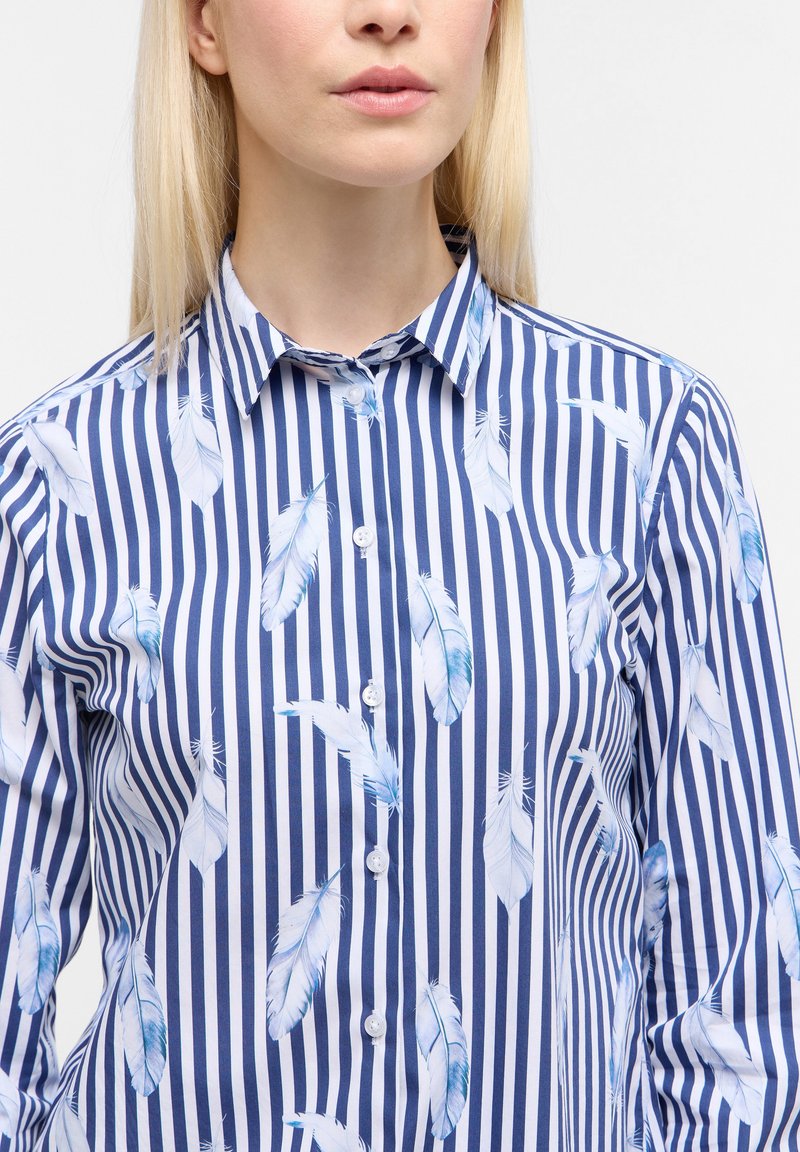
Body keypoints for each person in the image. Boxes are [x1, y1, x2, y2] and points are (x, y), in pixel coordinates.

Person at [1, 0, 798, 1149]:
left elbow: (740, 1022)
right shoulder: (58, 483)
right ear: (204, 25)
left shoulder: (647, 450)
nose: (386, 14)